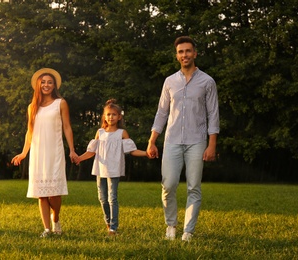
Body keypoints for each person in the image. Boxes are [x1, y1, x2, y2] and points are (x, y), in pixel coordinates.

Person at [147, 36, 219, 242]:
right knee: (168, 185)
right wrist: (152, 140)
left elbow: (213, 114)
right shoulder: (169, 81)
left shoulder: (207, 82)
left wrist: (211, 144)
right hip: (172, 140)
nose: (184, 55)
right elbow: (161, 113)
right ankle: (171, 225)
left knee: (193, 186)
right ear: (177, 55)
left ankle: (188, 231)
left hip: (197, 141)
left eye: (188, 51)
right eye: (181, 52)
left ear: (195, 54)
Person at [11, 68, 78, 238]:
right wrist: (24, 152)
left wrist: (72, 150)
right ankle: (47, 229)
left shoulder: (60, 103)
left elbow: (67, 127)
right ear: (38, 85)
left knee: (54, 193)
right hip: (38, 153)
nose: (46, 85)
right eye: (43, 82)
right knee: (41, 193)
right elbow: (29, 131)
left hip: (54, 152)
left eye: (50, 82)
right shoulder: (32, 107)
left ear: (54, 85)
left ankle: (56, 218)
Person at [75, 99, 148, 236]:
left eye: (114, 115)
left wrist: (146, 153)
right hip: (100, 169)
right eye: (108, 114)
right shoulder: (100, 133)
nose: (111, 117)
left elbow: (132, 150)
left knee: (112, 198)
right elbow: (92, 151)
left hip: (114, 169)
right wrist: (80, 158)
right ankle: (108, 222)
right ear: (104, 116)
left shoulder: (122, 133)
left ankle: (113, 227)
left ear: (119, 117)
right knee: (102, 198)